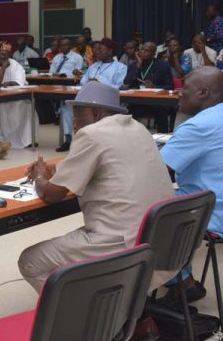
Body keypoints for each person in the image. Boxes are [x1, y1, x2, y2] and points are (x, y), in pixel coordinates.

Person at [19, 81, 175, 293]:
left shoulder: (92, 134)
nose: (74, 124)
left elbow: (51, 194)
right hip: (162, 242)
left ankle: (84, 311)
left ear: (95, 113)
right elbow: (103, 164)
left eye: (77, 116)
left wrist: (39, 176)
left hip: (125, 245)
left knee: (30, 261)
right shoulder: (138, 128)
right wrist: (54, 170)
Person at [159, 67, 223, 304]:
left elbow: (158, 171)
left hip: (211, 212)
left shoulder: (199, 126)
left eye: (185, 88)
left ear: (203, 92)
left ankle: (181, 282)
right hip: (215, 200)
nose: (178, 92)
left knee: (143, 210)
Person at [57, 38, 127, 152]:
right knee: (66, 109)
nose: (97, 52)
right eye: (97, 49)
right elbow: (83, 81)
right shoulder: (94, 66)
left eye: (101, 49)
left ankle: (98, 141)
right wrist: (90, 82)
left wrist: (99, 82)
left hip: (105, 102)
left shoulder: (121, 67)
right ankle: (69, 140)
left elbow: (119, 86)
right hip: (87, 99)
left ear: (110, 51)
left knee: (93, 112)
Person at [0, 41, 38, 149]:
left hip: (12, 98)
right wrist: (3, 68)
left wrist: (6, 84)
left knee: (28, 106)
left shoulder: (15, 64)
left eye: (7, 54)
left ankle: (26, 139)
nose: (4, 56)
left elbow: (19, 83)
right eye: (2, 53)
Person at [124, 42, 174, 132]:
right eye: (142, 49)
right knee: (129, 111)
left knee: (161, 111)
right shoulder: (133, 65)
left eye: (146, 51)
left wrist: (155, 86)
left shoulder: (162, 65)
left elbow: (170, 86)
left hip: (157, 102)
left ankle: (163, 136)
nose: (142, 52)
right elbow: (126, 83)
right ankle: (129, 135)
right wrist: (137, 66)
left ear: (153, 54)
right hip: (139, 102)